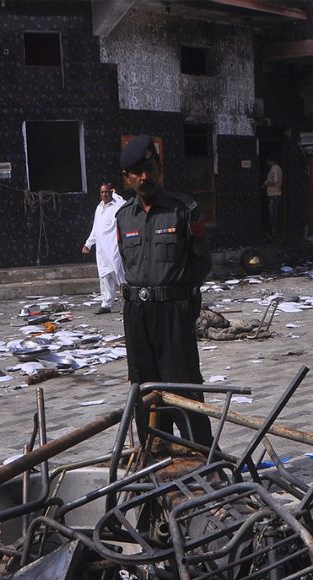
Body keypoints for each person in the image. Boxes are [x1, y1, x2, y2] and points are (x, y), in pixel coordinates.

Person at [115, 134, 213, 445]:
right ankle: (155, 455)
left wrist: (183, 301)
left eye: (150, 169)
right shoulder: (122, 217)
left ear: (160, 169)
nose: (145, 177)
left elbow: (201, 263)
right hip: (137, 316)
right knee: (145, 390)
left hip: (173, 313)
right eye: (137, 172)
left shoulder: (183, 210)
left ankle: (201, 455)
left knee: (183, 388)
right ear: (127, 178)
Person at [82, 182, 127, 314]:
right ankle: (106, 304)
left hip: (113, 247)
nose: (104, 195)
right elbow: (96, 228)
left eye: (107, 192)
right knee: (104, 277)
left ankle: (128, 303)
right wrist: (88, 244)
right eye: (102, 192)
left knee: (119, 274)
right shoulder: (99, 208)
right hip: (101, 249)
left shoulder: (117, 205)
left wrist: (116, 195)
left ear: (111, 192)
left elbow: (125, 204)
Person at [262, 158, 283, 239]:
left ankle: (275, 236)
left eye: (268, 162)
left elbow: (275, 180)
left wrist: (265, 183)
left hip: (274, 195)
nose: (267, 164)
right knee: (275, 215)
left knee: (273, 216)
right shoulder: (278, 168)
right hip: (275, 194)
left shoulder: (274, 168)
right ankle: (276, 235)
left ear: (271, 161)